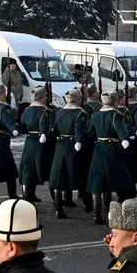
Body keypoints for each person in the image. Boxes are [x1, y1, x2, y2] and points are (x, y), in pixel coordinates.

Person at [86, 93, 135, 226]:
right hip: (112, 149)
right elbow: (119, 128)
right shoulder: (115, 114)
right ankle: (119, 211)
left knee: (98, 180)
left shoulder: (96, 115)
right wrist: (125, 139)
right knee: (119, 179)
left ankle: (97, 213)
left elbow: (90, 132)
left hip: (98, 149)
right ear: (114, 102)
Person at [47, 89, 89, 220]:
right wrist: (79, 142)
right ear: (78, 100)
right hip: (73, 146)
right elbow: (79, 129)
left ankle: (58, 207)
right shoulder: (79, 113)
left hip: (60, 146)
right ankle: (88, 204)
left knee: (59, 177)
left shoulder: (59, 112)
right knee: (81, 175)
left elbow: (54, 129)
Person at [17, 88, 53, 206]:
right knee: (44, 168)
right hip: (40, 141)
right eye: (45, 96)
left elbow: (22, 125)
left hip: (29, 140)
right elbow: (44, 123)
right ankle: (56, 199)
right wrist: (44, 133)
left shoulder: (27, 110)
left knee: (28, 167)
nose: (46, 98)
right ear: (41, 98)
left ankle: (28, 194)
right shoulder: (44, 111)